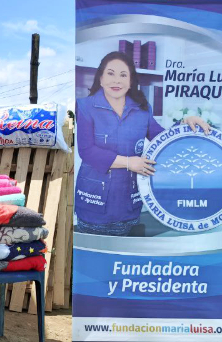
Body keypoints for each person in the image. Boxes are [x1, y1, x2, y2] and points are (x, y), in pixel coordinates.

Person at [75, 51, 210, 236]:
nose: (117, 80)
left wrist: (185, 123)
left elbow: (161, 138)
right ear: (100, 78)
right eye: (111, 73)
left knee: (125, 255)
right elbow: (87, 151)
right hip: (94, 201)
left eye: (123, 75)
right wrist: (130, 162)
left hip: (128, 202)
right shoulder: (84, 106)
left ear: (131, 81)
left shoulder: (142, 109)